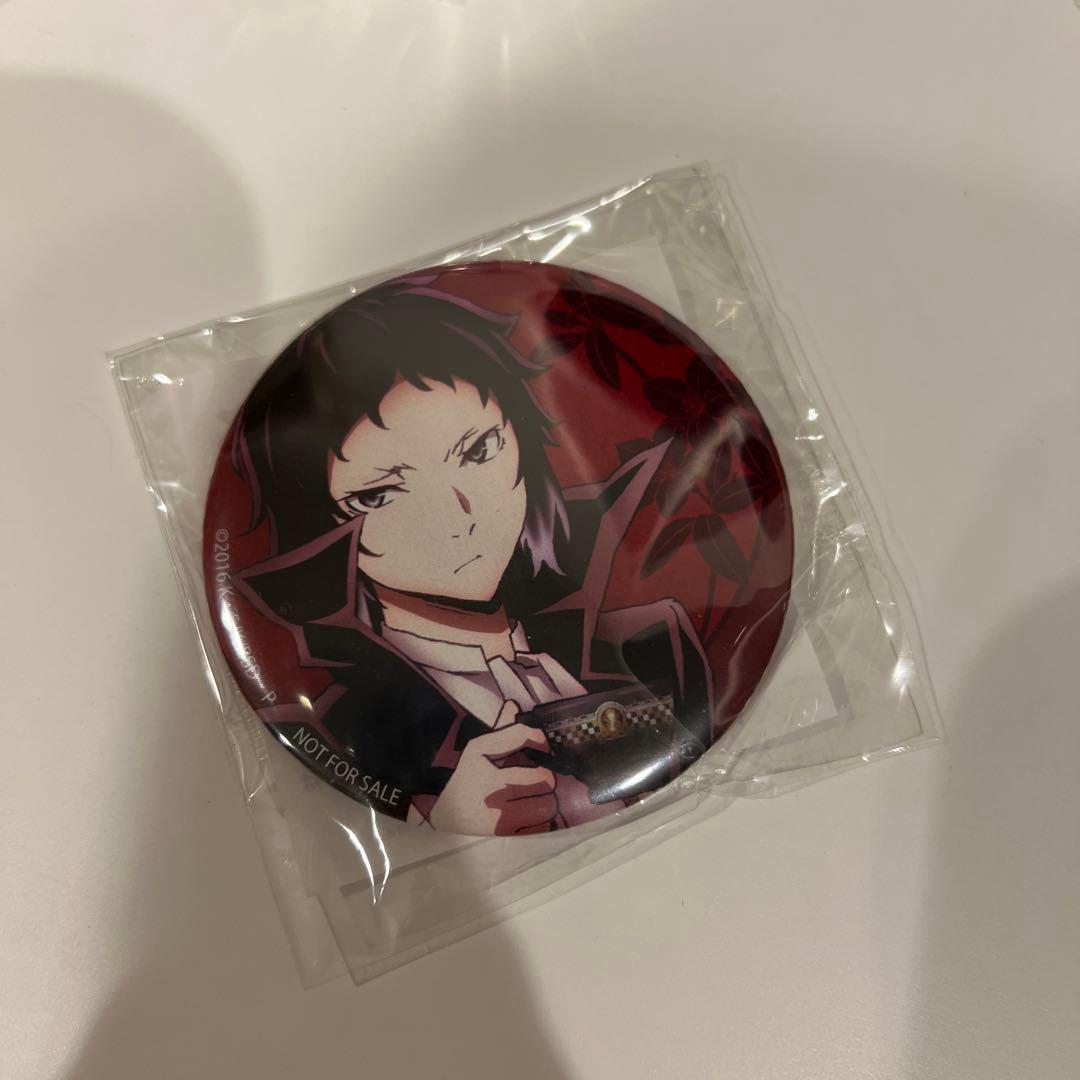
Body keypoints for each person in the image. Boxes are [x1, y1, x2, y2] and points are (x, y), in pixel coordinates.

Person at [231, 275, 713, 835]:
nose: (458, 514)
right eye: (379, 495)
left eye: (479, 451)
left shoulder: (656, 646)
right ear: (322, 532)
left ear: (522, 440)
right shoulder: (341, 728)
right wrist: (445, 820)